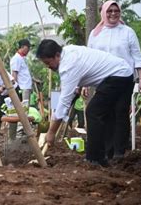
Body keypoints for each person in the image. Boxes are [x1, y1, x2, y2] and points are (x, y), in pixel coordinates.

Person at [36, 39, 133, 167]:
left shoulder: (67, 67)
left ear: (57, 55)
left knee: (93, 112)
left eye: (48, 63)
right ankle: (113, 156)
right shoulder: (69, 50)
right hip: (125, 72)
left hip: (117, 76)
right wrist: (78, 88)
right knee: (110, 115)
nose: (48, 67)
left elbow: (63, 102)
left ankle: (95, 158)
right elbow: (85, 68)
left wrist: (51, 132)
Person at [87, 0, 141, 158]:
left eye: (116, 10)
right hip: (103, 80)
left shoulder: (127, 32)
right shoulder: (95, 34)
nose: (113, 14)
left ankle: (120, 150)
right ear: (103, 13)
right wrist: (85, 83)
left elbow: (137, 57)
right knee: (105, 114)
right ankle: (107, 150)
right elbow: (89, 58)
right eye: (109, 11)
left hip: (124, 79)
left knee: (120, 112)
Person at [9, 39, 33, 140]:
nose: (28, 50)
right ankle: (20, 132)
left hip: (26, 86)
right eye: (28, 48)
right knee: (23, 109)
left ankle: (23, 130)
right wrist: (15, 87)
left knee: (25, 108)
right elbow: (14, 74)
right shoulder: (17, 59)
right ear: (23, 47)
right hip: (22, 88)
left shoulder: (22, 58)